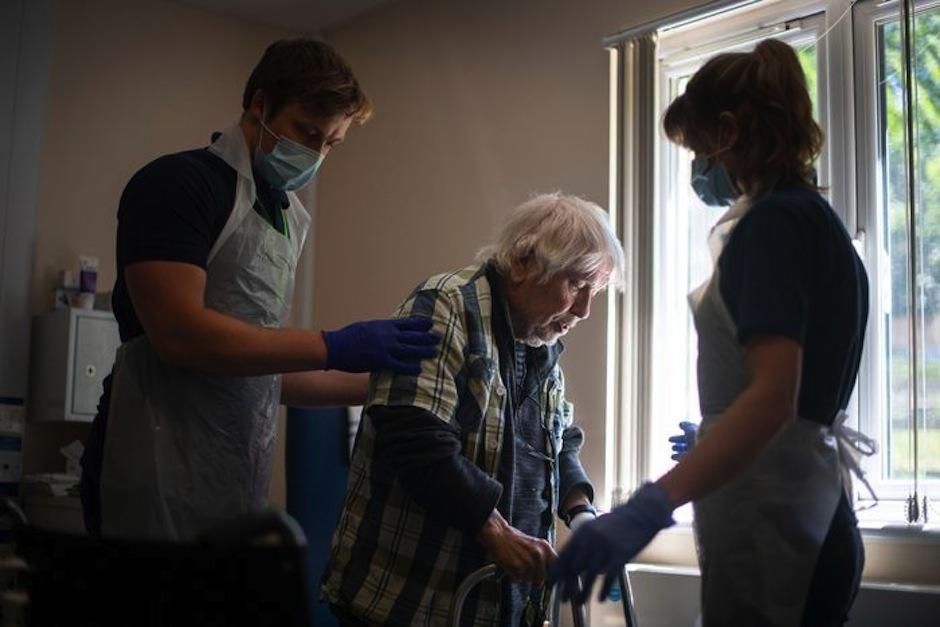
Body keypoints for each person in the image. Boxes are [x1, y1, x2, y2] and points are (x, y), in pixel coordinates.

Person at [550, 40, 869, 627]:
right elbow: (798, 394)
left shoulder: (772, 226)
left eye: (697, 148)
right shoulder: (816, 222)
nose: (699, 166)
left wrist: (651, 505)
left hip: (783, 527)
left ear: (727, 132)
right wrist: (721, 429)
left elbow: (774, 399)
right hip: (805, 506)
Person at [79, 39, 440, 541]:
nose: (315, 155)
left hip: (229, 472)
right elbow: (180, 336)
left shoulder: (287, 218)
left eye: (330, 143)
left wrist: (387, 383)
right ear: (259, 104)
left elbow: (261, 372)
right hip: (148, 454)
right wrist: (333, 345)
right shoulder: (178, 184)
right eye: (306, 132)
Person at [320, 193, 624, 626]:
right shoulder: (445, 303)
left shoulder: (540, 341)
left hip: (497, 606)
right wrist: (495, 531)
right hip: (410, 603)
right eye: (576, 284)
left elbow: (561, 441)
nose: (585, 309)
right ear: (522, 262)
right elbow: (415, 438)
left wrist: (583, 514)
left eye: (595, 291)